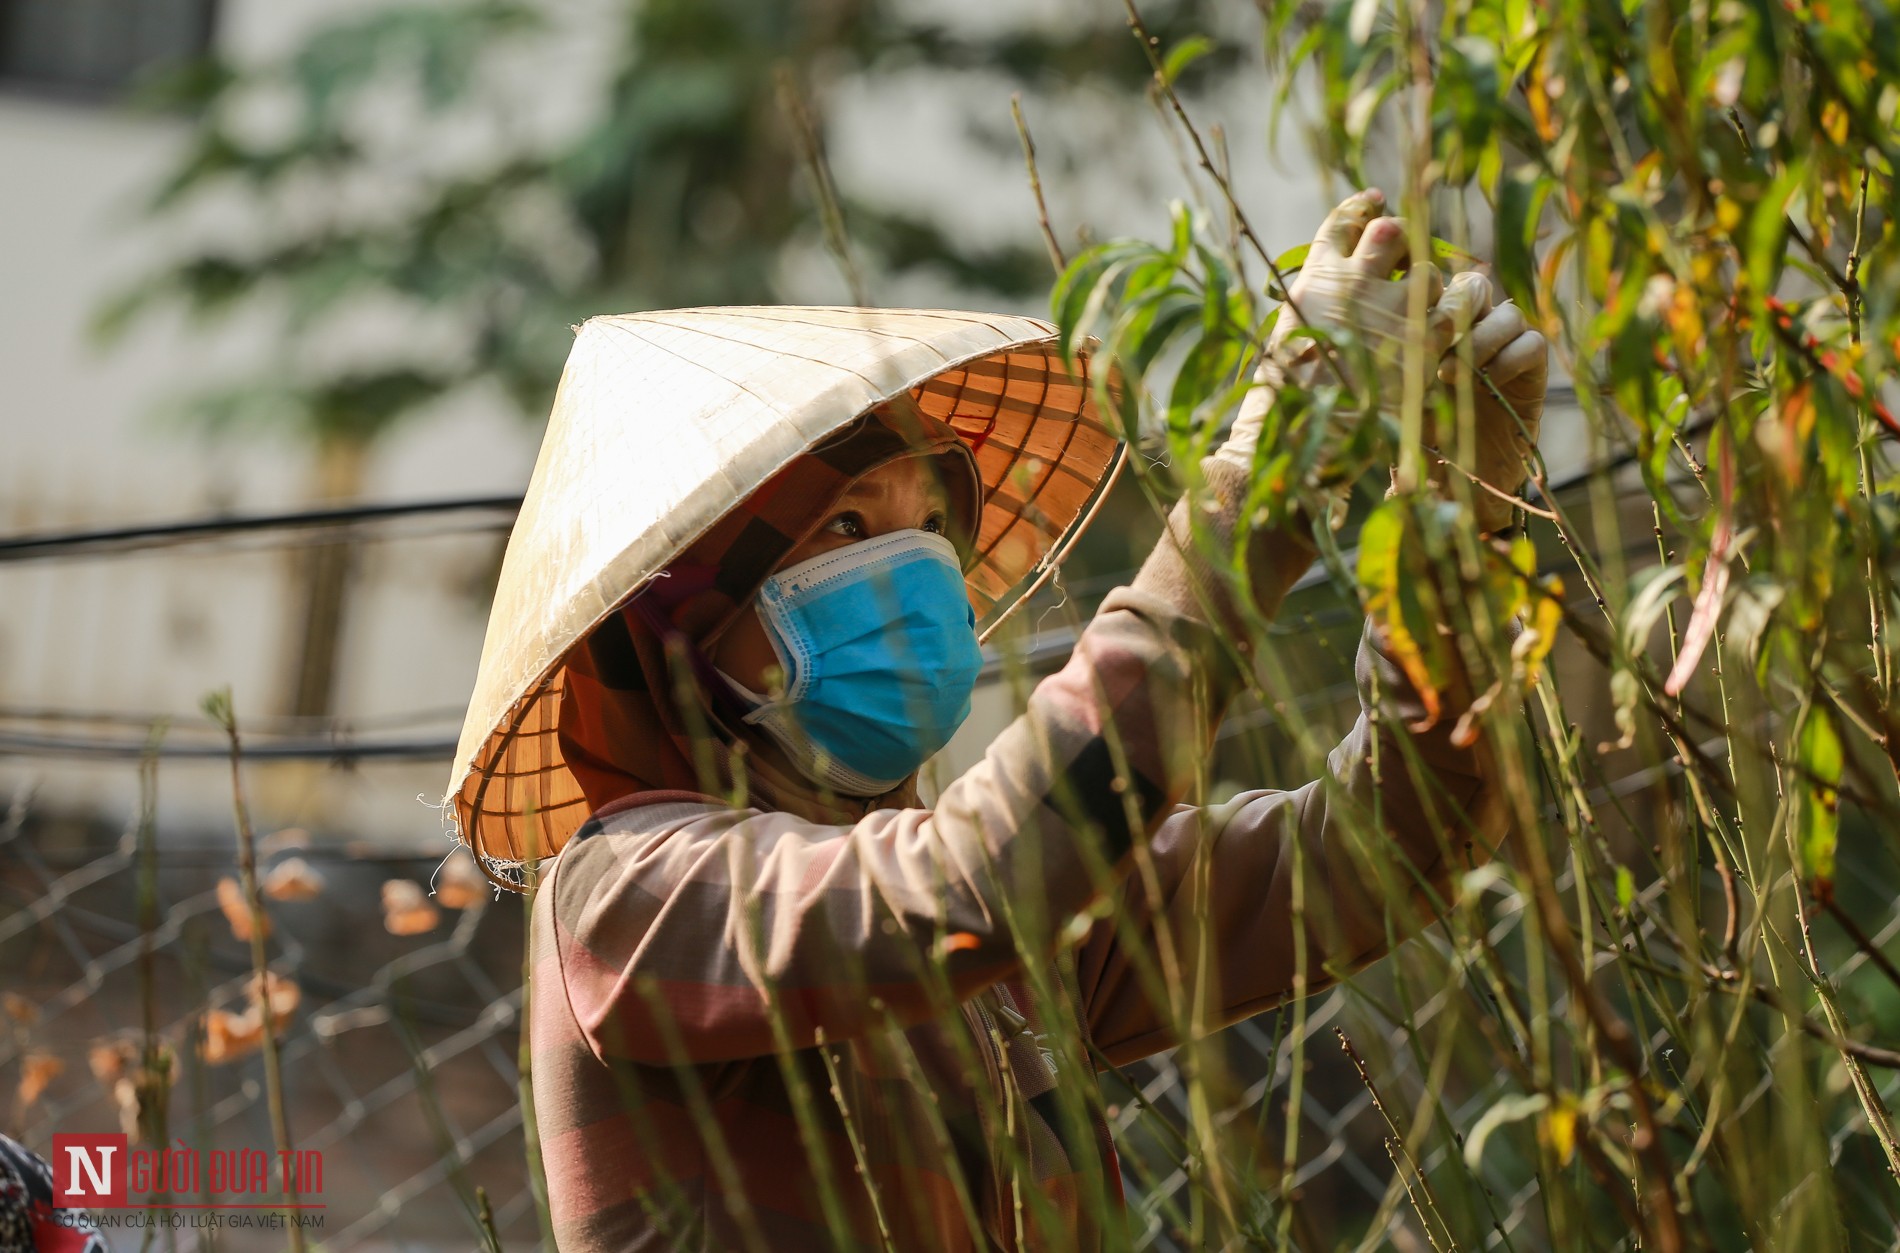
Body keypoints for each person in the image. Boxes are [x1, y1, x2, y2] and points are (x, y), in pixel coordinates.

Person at [515, 190, 1548, 1250]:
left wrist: (1452, 535)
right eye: (846, 524)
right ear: (683, 621)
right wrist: (1254, 488)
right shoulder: (629, 890)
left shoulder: (1003, 942)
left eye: (930, 527)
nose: (917, 571)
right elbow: (963, 887)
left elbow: (1384, 850)